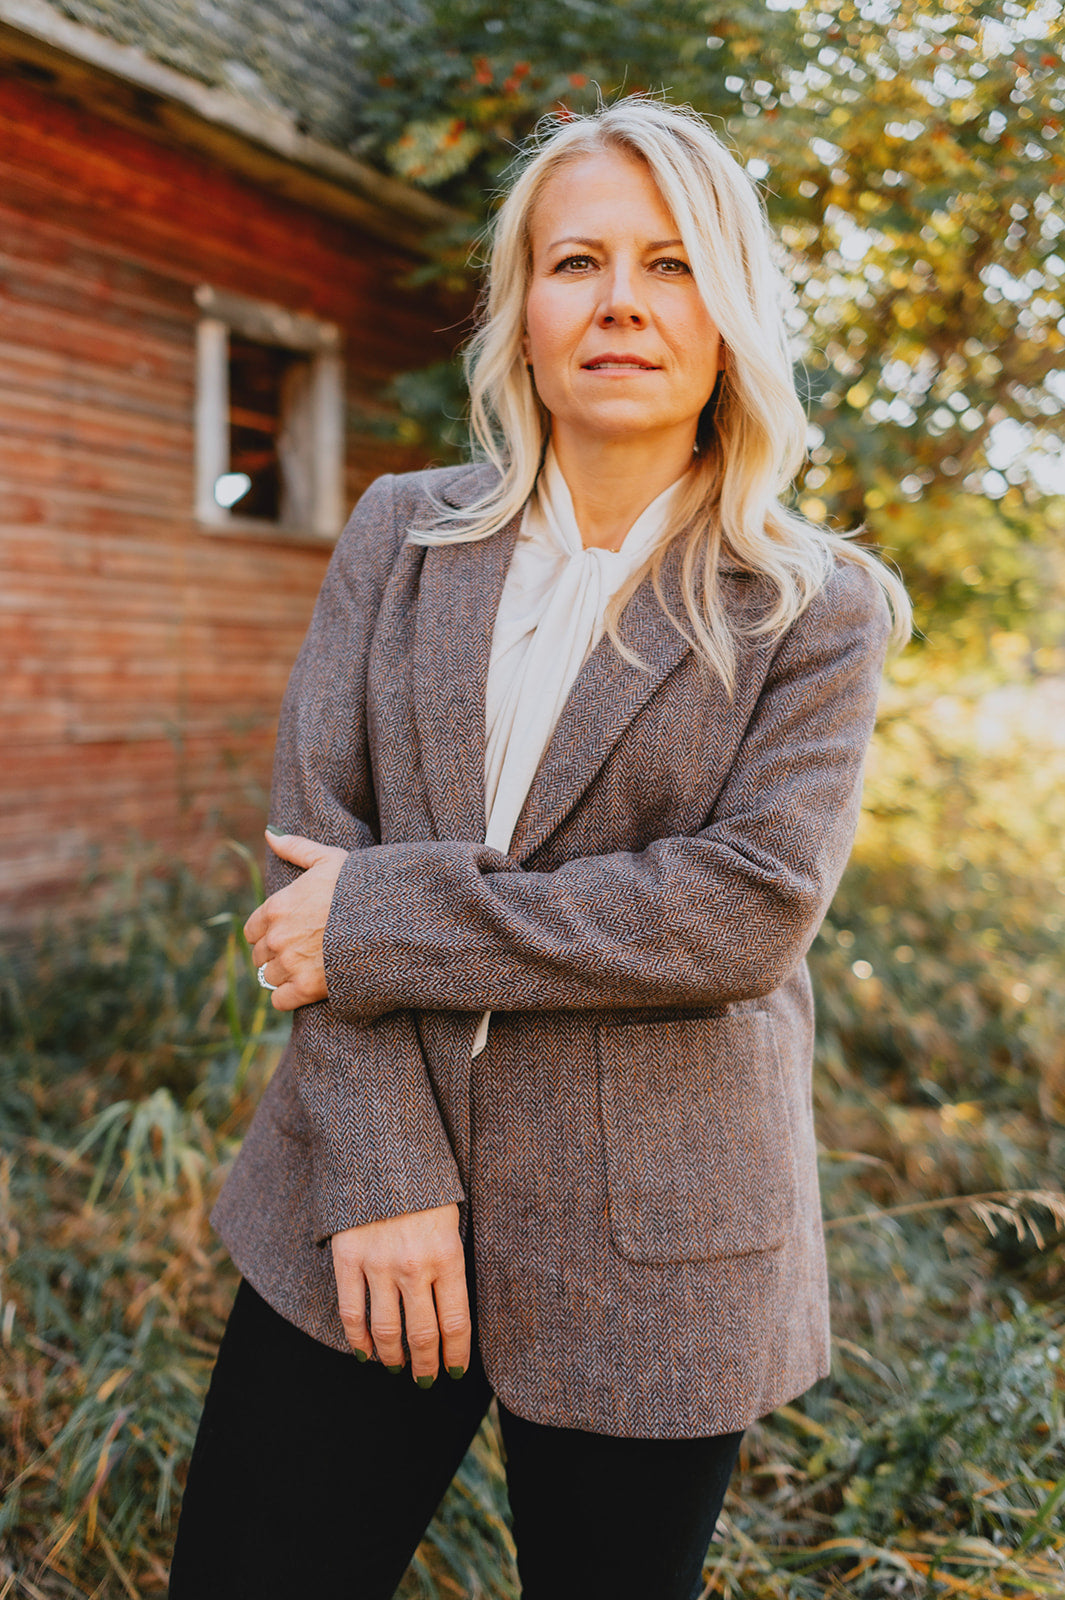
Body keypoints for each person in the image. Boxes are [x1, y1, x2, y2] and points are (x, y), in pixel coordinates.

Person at [169, 96, 910, 1599]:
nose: (621, 301)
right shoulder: (399, 534)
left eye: (670, 263)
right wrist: (384, 1178)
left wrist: (381, 920)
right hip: (354, 1198)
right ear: (522, 311)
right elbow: (312, 857)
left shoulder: (816, 605)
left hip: (657, 1246)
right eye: (577, 262)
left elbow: (738, 913)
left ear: (730, 313)